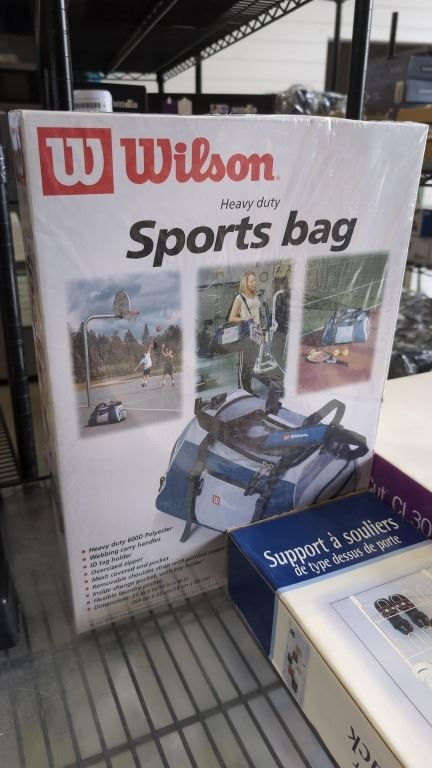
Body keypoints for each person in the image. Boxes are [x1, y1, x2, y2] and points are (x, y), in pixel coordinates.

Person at [228, 271, 262, 393]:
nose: (254, 283)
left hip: (256, 332)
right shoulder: (240, 297)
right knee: (244, 363)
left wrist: (261, 333)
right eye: (251, 281)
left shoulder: (256, 296)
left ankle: (248, 389)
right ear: (245, 283)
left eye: (254, 280)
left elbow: (258, 316)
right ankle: (244, 390)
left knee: (251, 362)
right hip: (246, 333)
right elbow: (231, 318)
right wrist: (245, 318)